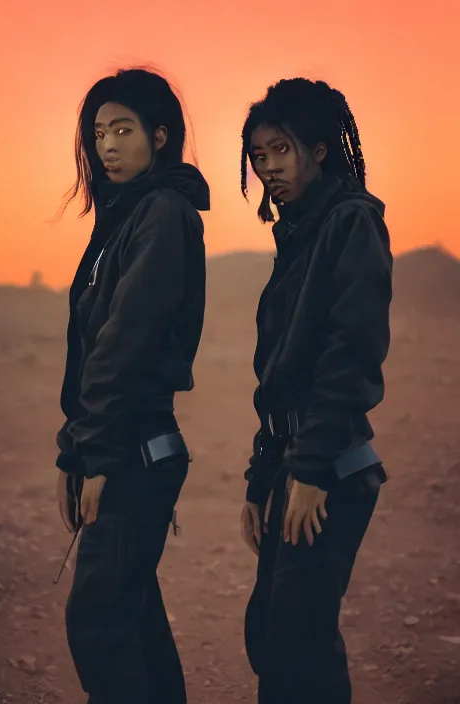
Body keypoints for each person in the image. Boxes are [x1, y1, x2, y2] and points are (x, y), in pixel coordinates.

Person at [54, 67, 210, 704]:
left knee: (96, 622)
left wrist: (100, 454)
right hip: (124, 444)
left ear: (161, 135)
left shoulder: (163, 214)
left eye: (123, 129)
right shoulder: (124, 218)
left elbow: (126, 343)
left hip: (136, 449)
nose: (108, 146)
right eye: (98, 133)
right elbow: (90, 350)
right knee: (134, 615)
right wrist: (74, 452)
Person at [239, 77, 392, 704]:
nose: (268, 167)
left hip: (326, 468)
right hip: (292, 463)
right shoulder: (300, 233)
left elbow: (349, 359)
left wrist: (309, 473)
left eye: (280, 149)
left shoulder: (350, 224)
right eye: (258, 156)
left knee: (297, 656)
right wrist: (260, 478)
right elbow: (281, 374)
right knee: (271, 636)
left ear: (320, 149)